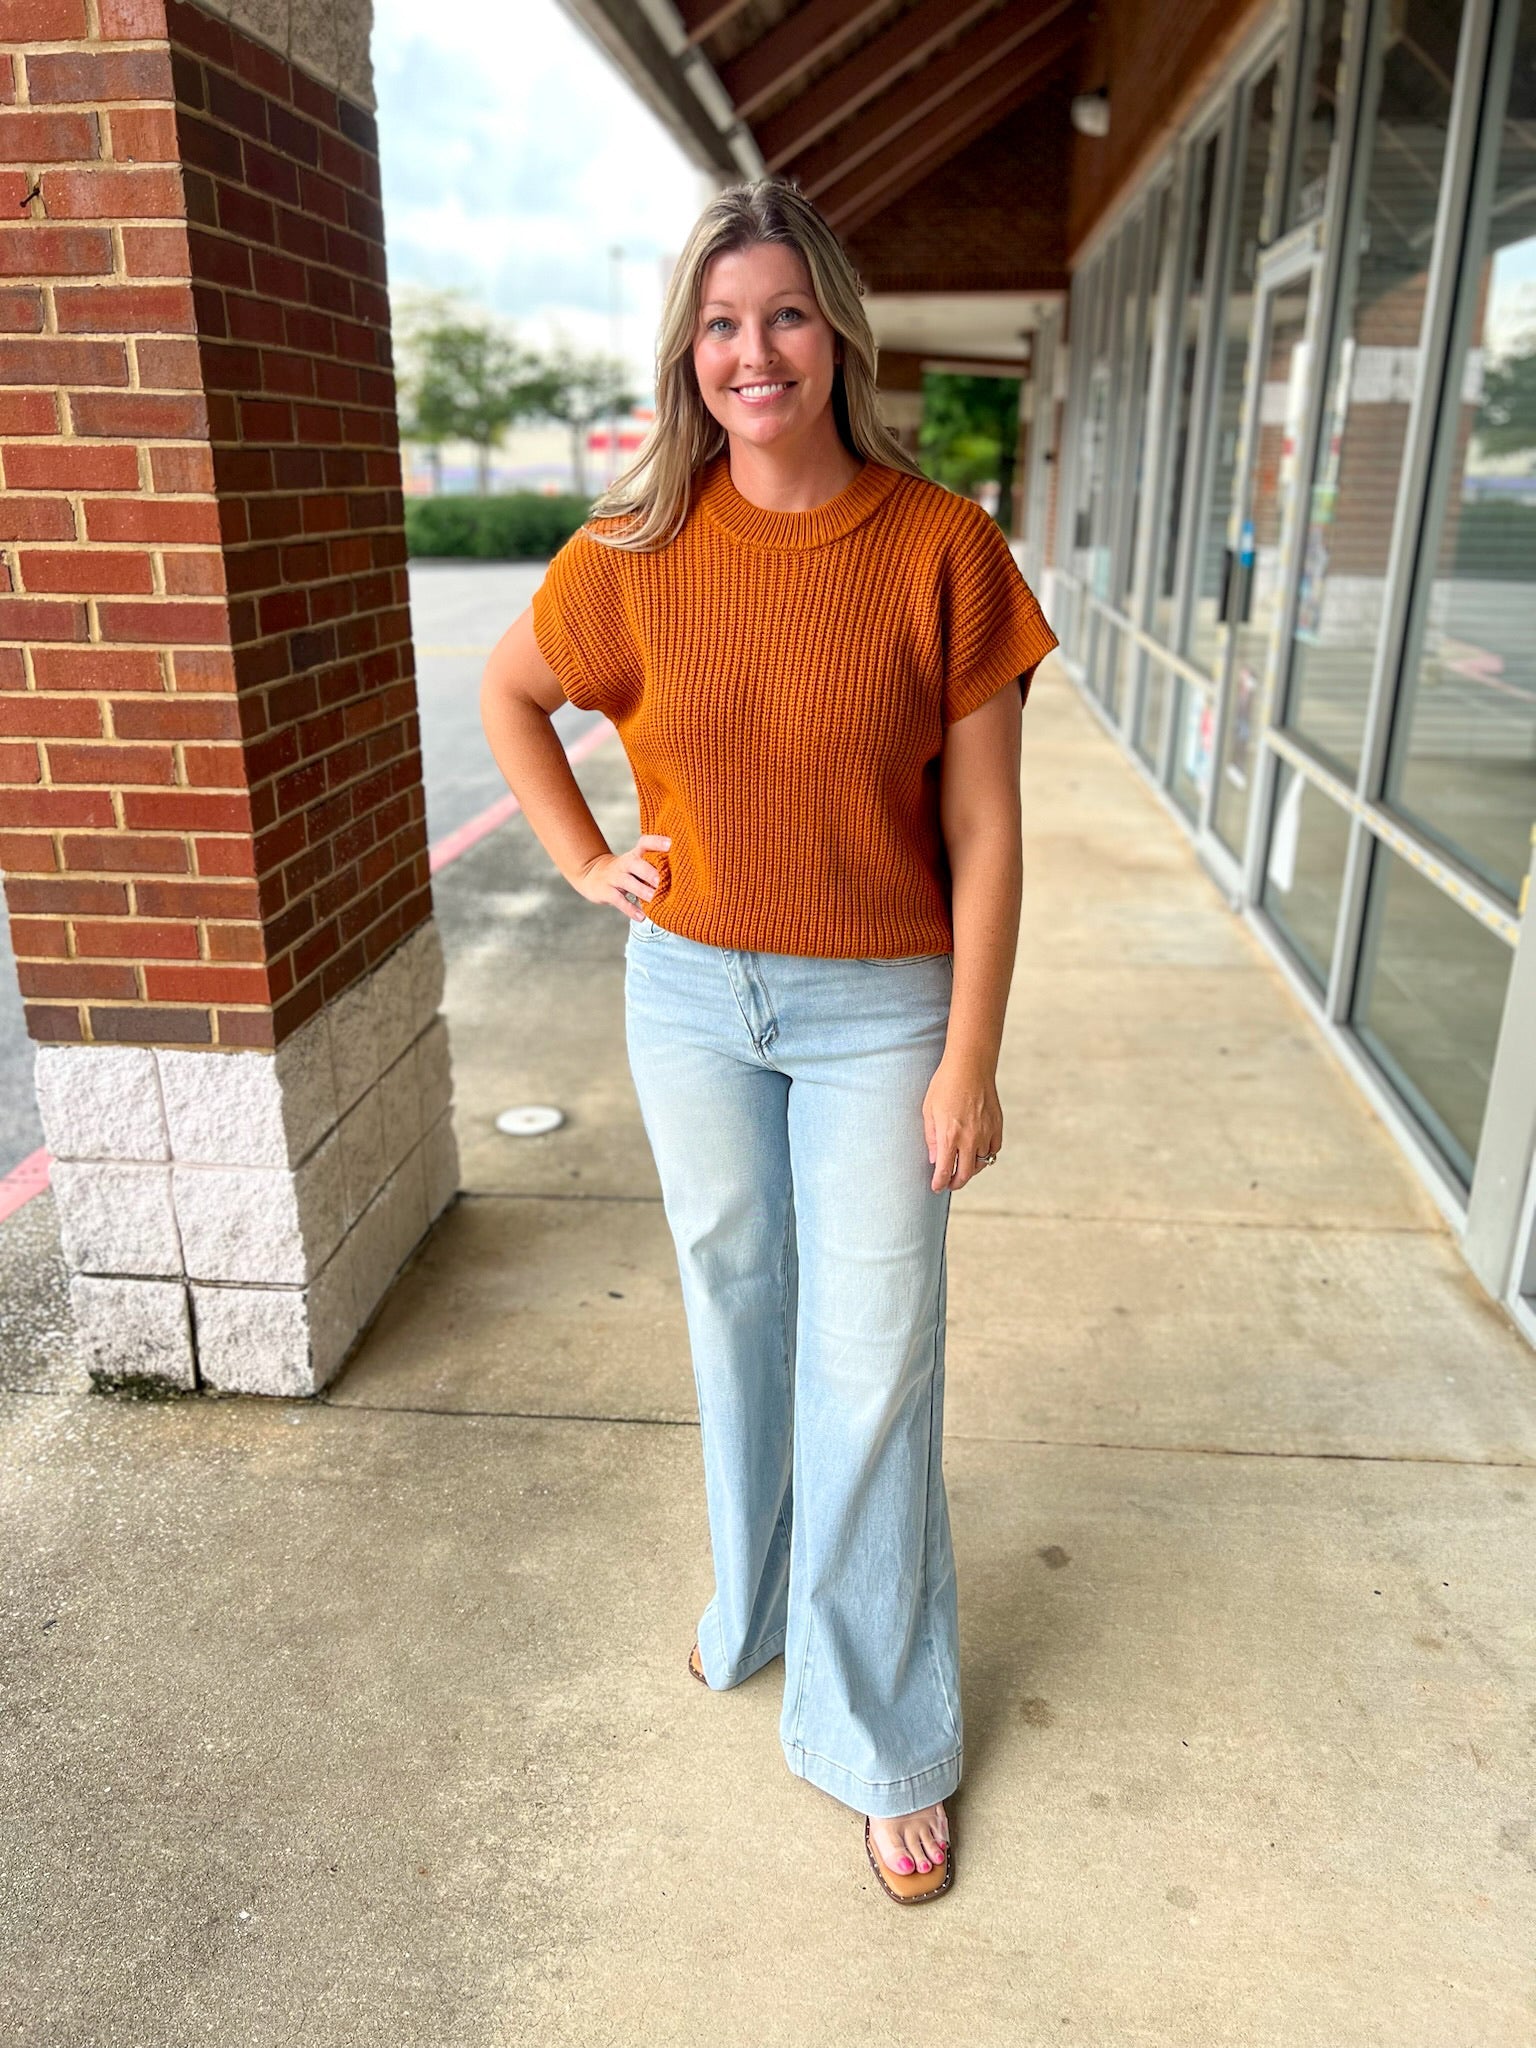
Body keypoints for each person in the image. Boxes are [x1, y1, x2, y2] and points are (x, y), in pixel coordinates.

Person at [479, 176, 1057, 1905]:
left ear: (837, 339)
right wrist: (589, 860)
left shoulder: (940, 547)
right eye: (723, 323)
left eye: (786, 315)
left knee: (874, 1352)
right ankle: (752, 1607)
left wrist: (972, 1052)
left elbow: (989, 834)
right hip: (689, 995)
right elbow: (510, 693)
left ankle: (882, 1733)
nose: (756, 351)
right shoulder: (638, 551)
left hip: (882, 1006)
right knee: (738, 1312)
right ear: (689, 354)